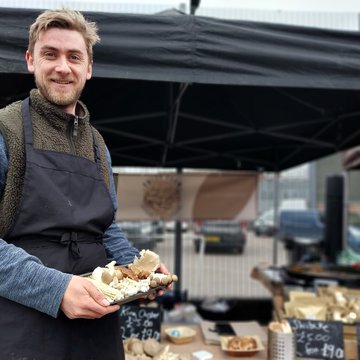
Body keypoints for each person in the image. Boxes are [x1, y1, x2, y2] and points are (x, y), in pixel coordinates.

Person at [0, 8, 169, 360]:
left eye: (74, 57)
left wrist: (139, 269)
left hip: (97, 328)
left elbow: (105, 229)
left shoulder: (97, 145)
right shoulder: (6, 132)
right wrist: (56, 288)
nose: (63, 67)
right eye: (50, 54)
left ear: (88, 68)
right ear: (31, 61)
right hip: (24, 325)